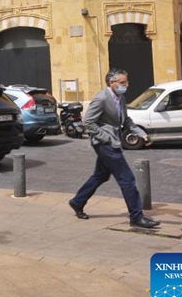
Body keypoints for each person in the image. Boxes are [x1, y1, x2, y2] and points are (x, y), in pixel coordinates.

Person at [69, 69, 160, 229]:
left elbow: (126, 121)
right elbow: (88, 122)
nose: (126, 85)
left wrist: (141, 134)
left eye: (126, 82)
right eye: (123, 83)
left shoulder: (120, 97)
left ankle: (77, 201)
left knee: (101, 175)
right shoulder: (101, 98)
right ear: (112, 83)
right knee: (127, 179)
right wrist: (106, 137)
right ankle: (136, 217)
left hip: (112, 141)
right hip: (106, 144)